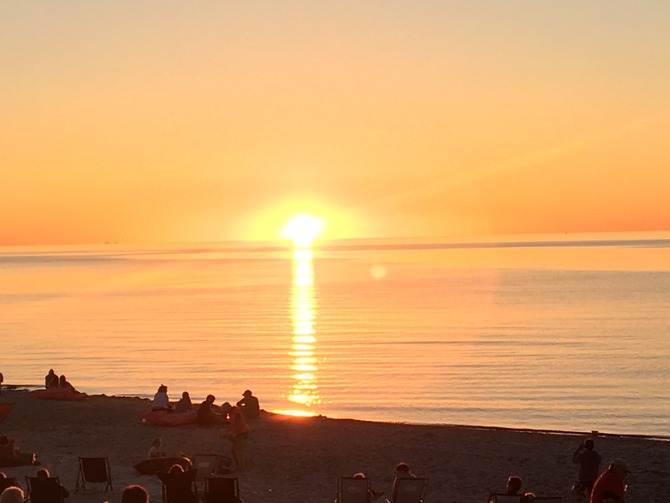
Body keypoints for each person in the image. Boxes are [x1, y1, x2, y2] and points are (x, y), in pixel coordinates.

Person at [228, 406, 250, 471]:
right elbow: (232, 425)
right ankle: (239, 465)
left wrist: (232, 433)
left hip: (243, 432)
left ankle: (241, 466)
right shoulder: (232, 415)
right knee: (235, 450)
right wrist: (228, 430)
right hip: (240, 432)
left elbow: (238, 425)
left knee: (238, 450)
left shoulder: (237, 415)